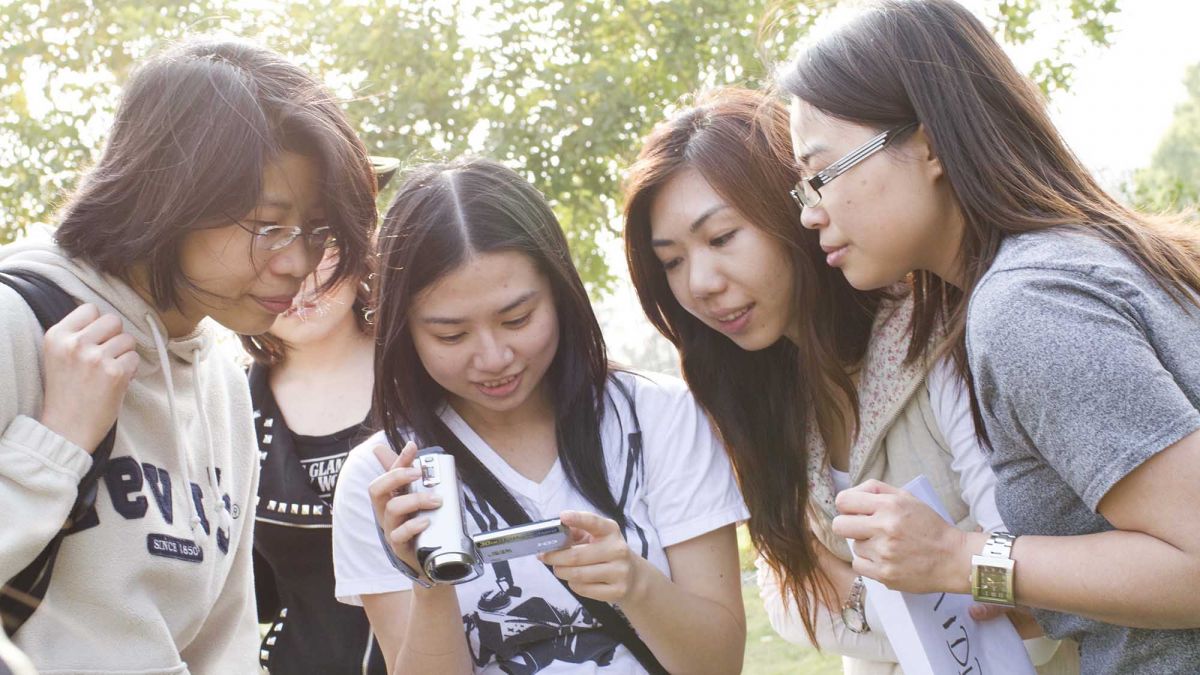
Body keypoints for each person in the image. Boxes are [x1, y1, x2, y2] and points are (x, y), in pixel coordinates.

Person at [775, 1, 1200, 672]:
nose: (811, 212)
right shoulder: (1077, 256)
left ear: (929, 145)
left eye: (822, 173)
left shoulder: (1027, 304)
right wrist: (1023, 592)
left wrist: (955, 556)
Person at [622, 86, 1076, 673]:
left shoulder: (939, 339)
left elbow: (1028, 603)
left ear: (797, 208)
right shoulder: (765, 404)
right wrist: (905, 597)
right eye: (672, 261)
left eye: (722, 238)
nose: (700, 283)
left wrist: (850, 593)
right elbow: (786, 605)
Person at [0, 37, 376, 672]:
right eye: (268, 226)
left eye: (317, 230)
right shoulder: (19, 326)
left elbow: (224, 642)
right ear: (167, 196)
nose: (299, 262)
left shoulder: (224, 385)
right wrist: (53, 447)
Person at [331, 157, 748, 674]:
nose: (494, 358)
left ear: (560, 293)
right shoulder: (383, 479)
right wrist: (429, 582)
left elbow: (719, 664)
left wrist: (637, 584)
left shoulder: (660, 415)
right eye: (451, 335)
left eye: (517, 319)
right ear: (404, 329)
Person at [242, 209, 388, 673]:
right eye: (262, 244)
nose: (295, 269)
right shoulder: (228, 409)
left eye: (320, 239)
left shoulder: (429, 373)